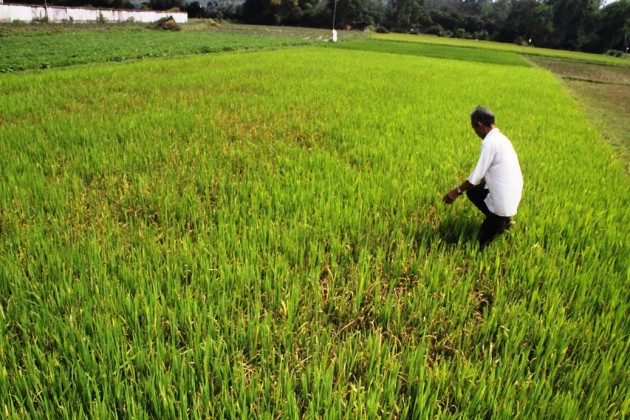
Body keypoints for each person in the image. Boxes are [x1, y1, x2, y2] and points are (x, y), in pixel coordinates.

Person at [443, 106, 523, 247]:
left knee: (479, 242)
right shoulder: (501, 139)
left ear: (479, 125)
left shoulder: (489, 142)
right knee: (475, 192)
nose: (475, 132)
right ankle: (506, 221)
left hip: (503, 201)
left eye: (474, 129)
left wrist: (456, 191)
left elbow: (476, 175)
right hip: (513, 192)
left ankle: (499, 221)